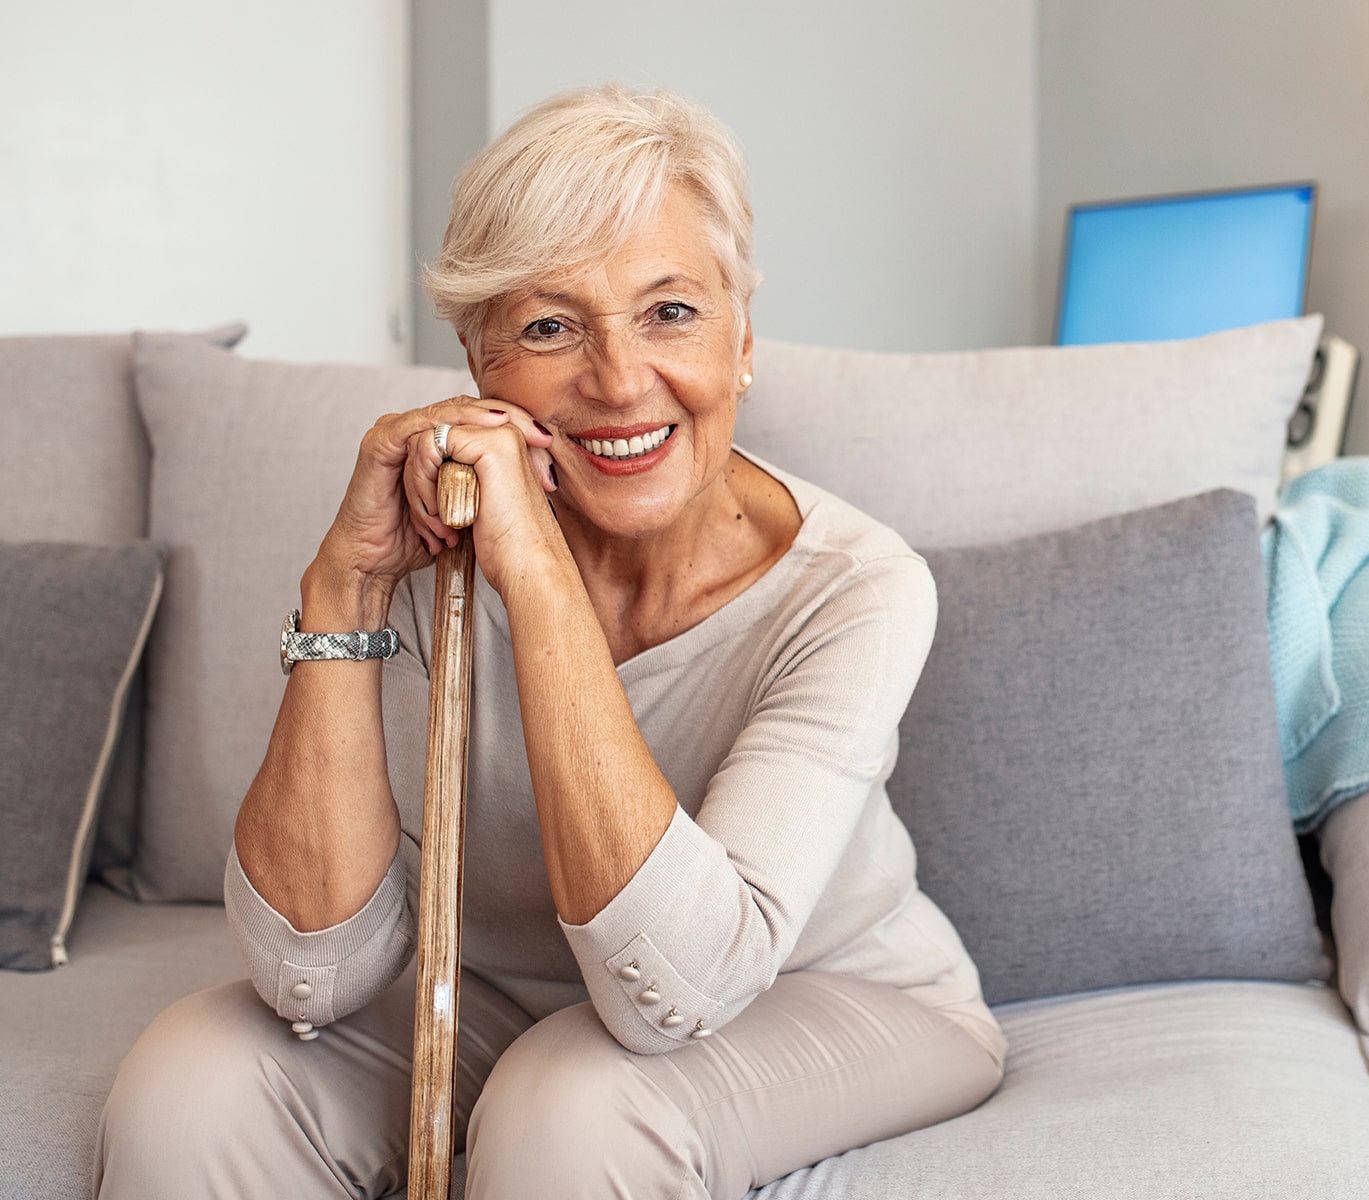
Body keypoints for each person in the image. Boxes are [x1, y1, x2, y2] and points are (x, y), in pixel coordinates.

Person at [95, 84, 1004, 1198]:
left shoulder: (859, 589)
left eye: (670, 311)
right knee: (191, 1084)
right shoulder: (424, 546)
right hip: (493, 995)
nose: (621, 381)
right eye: (550, 326)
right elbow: (309, 975)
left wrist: (536, 578)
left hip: (820, 993)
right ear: (483, 368)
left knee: (569, 1106)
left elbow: (671, 991)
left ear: (744, 338)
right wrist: (347, 583)